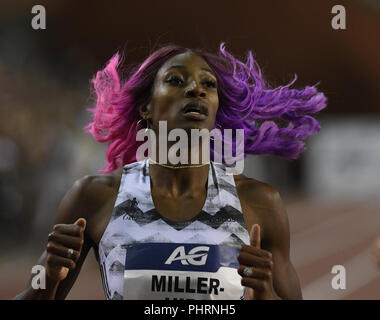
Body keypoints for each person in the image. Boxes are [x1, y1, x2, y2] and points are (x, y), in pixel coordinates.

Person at [14, 42, 326, 300]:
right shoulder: (94, 196)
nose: (196, 89)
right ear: (146, 107)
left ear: (216, 109)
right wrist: (49, 279)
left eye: (208, 84)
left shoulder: (259, 202)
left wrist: (265, 296)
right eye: (176, 80)